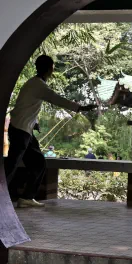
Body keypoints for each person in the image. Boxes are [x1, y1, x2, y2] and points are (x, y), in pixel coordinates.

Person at [5, 55, 95, 208]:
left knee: (38, 163)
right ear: (48, 69)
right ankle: (7, 194)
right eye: (52, 67)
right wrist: (80, 107)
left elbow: (27, 106)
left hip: (24, 129)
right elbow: (56, 98)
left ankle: (27, 197)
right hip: (21, 130)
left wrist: (35, 123)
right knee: (11, 165)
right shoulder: (38, 85)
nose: (53, 70)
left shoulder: (34, 83)